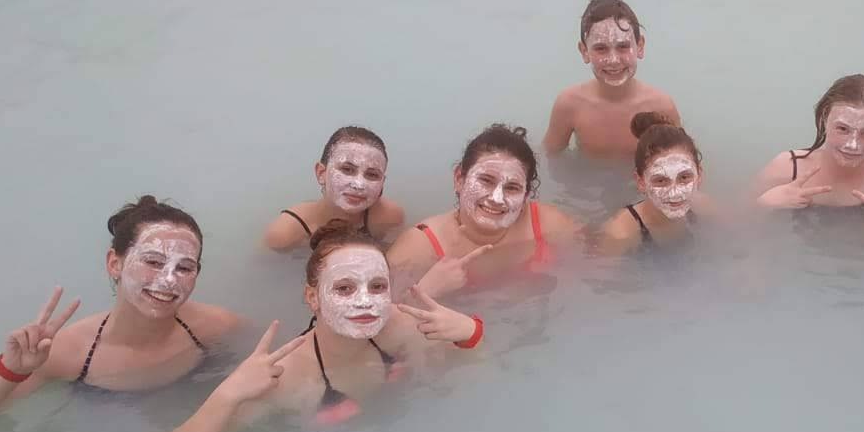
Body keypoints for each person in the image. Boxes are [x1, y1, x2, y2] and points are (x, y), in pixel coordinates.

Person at [0, 196, 243, 432]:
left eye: (184, 267)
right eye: (153, 262)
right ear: (114, 263)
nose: (168, 280)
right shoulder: (65, 353)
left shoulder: (214, 326)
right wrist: (9, 371)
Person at [161, 225, 482, 432]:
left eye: (377, 287)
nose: (365, 302)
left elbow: (473, 381)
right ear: (312, 297)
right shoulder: (284, 378)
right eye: (344, 288)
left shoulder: (400, 325)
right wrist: (227, 394)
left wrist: (471, 335)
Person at [387, 123, 578, 298]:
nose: (497, 198)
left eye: (512, 188)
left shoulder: (550, 225)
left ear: (525, 195)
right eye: (486, 180)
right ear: (459, 179)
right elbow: (385, 317)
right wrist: (427, 291)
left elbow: (583, 280)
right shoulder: (418, 248)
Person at [752, 74, 864, 237]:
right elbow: (740, 223)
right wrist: (764, 203)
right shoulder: (787, 167)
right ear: (824, 120)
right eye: (842, 129)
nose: (852, 145)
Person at [542, 0, 681, 157]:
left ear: (640, 46)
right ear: (584, 51)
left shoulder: (661, 106)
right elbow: (550, 157)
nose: (613, 60)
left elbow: (681, 156)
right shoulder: (569, 104)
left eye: (623, 46)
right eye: (601, 48)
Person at [262, 125, 405, 251]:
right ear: (321, 173)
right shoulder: (285, 233)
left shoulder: (388, 218)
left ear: (382, 183)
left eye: (372, 175)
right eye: (347, 169)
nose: (358, 184)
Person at [598, 113, 711, 252]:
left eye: (684, 177)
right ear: (640, 182)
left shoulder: (702, 207)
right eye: (661, 180)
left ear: (699, 175)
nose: (675, 193)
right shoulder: (621, 234)